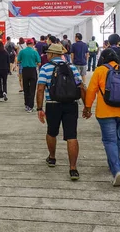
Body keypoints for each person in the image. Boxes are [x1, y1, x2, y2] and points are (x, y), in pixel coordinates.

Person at [83, 48, 120, 186]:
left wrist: (87, 108)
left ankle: (117, 170)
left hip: (106, 112)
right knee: (117, 139)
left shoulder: (100, 71)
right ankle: (113, 164)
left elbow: (91, 91)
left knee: (110, 141)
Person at [36, 44, 85, 181]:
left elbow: (40, 89)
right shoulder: (72, 67)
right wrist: (87, 107)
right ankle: (73, 168)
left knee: (52, 132)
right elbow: (81, 86)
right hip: (71, 104)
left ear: (51, 54)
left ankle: (52, 158)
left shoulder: (45, 68)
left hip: (52, 105)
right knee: (72, 136)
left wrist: (39, 108)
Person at [17, 38, 41, 112]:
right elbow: (39, 63)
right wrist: (34, 64)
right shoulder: (35, 52)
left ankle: (26, 104)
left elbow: (18, 60)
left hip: (25, 70)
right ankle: (31, 106)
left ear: (26, 44)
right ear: (33, 44)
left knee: (26, 88)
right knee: (32, 89)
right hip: (33, 70)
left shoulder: (22, 51)